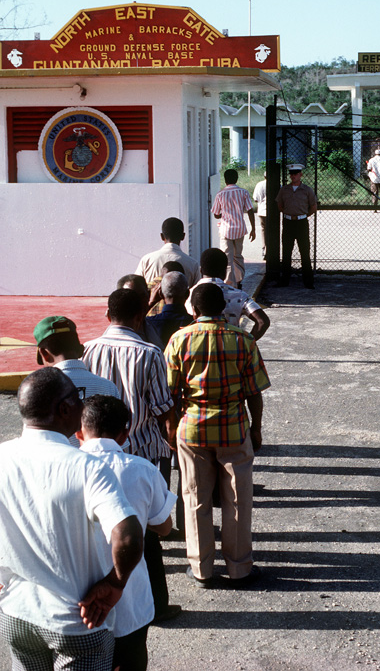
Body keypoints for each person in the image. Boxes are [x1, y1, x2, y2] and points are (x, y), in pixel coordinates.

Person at [0, 367, 142, 671]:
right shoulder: (87, 467)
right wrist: (115, 583)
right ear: (63, 409)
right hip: (77, 620)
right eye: (78, 397)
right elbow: (128, 535)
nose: (82, 404)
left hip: (16, 613)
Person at [165, 283, 270, 588]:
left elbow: (170, 393)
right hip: (234, 428)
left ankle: (201, 569)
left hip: (192, 429)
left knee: (195, 497)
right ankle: (239, 567)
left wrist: (172, 427)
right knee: (238, 499)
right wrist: (256, 427)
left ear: (193, 309)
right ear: (223, 308)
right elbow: (254, 392)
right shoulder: (243, 339)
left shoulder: (179, 340)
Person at [83, 288, 178, 622]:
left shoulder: (88, 350)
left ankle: (107, 603)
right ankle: (154, 606)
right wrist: (172, 440)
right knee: (148, 535)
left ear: (108, 315)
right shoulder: (151, 353)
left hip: (96, 455)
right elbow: (162, 407)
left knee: (104, 533)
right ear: (141, 316)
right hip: (144, 455)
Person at [78, 395, 177, 671]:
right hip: (130, 596)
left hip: (79, 601)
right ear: (125, 434)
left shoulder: (64, 469)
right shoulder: (142, 469)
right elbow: (164, 526)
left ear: (78, 431)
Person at [33, 314, 121, 447]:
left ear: (44, 354)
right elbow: (118, 440)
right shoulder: (108, 387)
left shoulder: (39, 389)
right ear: (81, 350)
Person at [185, 248, 270, 341]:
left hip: (196, 349)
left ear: (201, 270)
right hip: (231, 350)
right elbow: (262, 321)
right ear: (225, 272)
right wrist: (247, 343)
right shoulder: (239, 295)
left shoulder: (188, 295)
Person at [211, 168, 256, 288]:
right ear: (236, 179)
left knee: (227, 257)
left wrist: (223, 214)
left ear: (225, 180)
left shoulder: (220, 194)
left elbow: (216, 214)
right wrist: (253, 228)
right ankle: (239, 280)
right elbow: (250, 210)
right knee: (238, 256)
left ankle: (230, 283)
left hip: (226, 229)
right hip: (240, 229)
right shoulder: (244, 192)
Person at [276, 163, 317, 289]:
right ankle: (284, 280)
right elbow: (280, 205)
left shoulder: (307, 190)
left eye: (296, 173)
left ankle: (308, 281)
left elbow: (313, 207)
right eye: (291, 174)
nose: (293, 176)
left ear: (301, 174)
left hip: (301, 223)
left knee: (304, 252)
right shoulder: (284, 190)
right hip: (288, 222)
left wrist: (301, 215)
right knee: (286, 252)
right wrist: (290, 214)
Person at [135, 217, 200, 288]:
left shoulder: (147, 260)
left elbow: (136, 286)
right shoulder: (192, 264)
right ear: (183, 236)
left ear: (162, 236)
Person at [117, 273, 165, 350]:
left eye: (142, 296)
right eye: (131, 298)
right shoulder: (119, 334)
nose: (138, 301)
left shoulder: (150, 325)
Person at [146, 271, 192, 347]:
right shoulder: (192, 323)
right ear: (187, 294)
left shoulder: (150, 323)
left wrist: (151, 302)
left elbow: (133, 326)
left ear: (160, 294)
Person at [253, 172, 267, 259]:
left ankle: (264, 248)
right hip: (273, 211)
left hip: (262, 210)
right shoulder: (278, 185)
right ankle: (271, 249)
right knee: (272, 231)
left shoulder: (259, 184)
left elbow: (255, 199)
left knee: (263, 230)